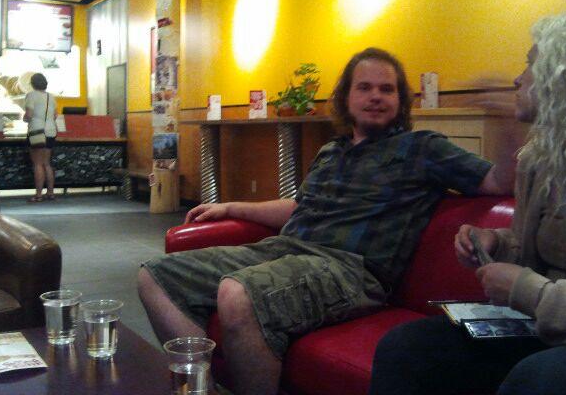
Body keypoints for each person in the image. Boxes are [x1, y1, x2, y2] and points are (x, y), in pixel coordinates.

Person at [138, 47, 513, 395]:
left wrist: (506, 121)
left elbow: (498, 181)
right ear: (346, 98)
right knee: (156, 276)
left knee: (238, 293)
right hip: (286, 250)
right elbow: (300, 208)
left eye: (387, 89)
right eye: (364, 87)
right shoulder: (331, 151)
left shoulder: (422, 148)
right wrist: (232, 207)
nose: (376, 96)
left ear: (401, 101)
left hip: (351, 269)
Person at [368, 10, 566, 395]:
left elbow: (532, 282)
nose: (519, 78)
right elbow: (530, 248)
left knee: (541, 379)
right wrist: (495, 242)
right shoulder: (540, 160)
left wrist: (526, 290)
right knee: (406, 348)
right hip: (542, 324)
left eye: (531, 64)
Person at [23, 73, 57, 202]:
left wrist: (25, 118)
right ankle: (50, 192)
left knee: (37, 164)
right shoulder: (51, 97)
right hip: (51, 131)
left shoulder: (31, 95)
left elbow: (29, 114)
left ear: (32, 84)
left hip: (37, 131)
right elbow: (55, 115)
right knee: (46, 163)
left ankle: (38, 195)